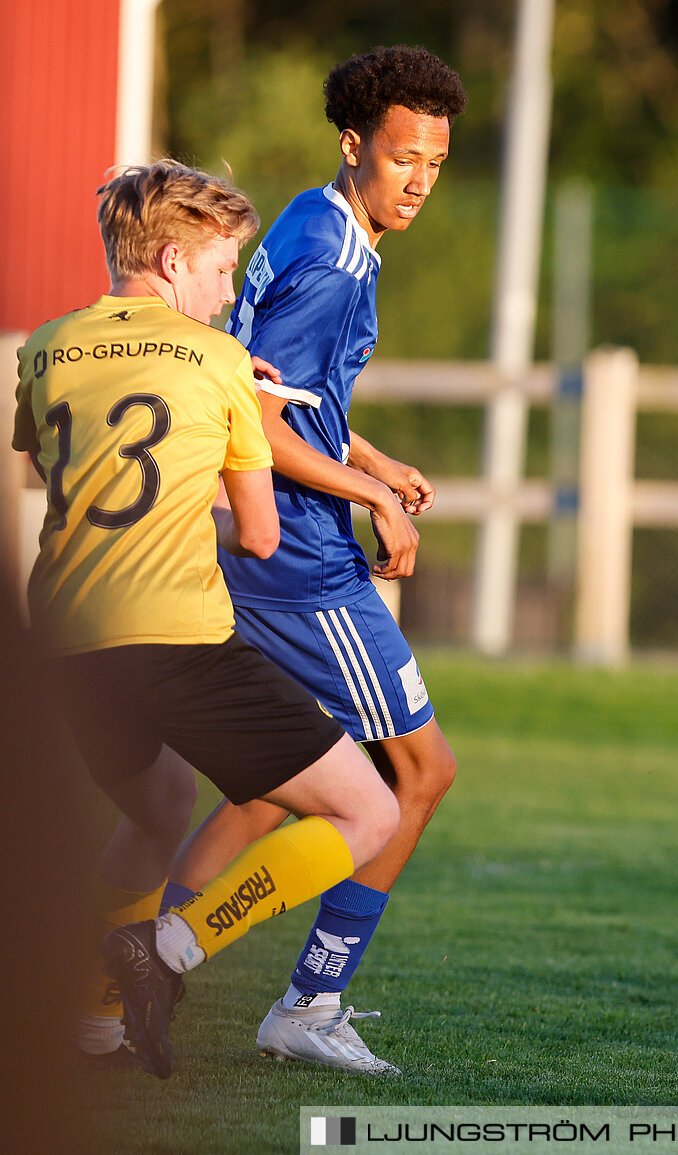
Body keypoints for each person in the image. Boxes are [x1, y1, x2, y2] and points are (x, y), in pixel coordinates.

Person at [14, 160, 400, 1080]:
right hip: (176, 639)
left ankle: (95, 1023)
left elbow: (43, 475)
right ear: (175, 259)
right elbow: (260, 537)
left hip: (65, 644)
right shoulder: (222, 361)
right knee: (368, 809)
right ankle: (174, 947)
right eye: (225, 269)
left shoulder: (48, 343)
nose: (233, 290)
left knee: (157, 809)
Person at [157, 45, 466, 1076]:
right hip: (304, 563)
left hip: (265, 549)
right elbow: (252, 412)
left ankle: (122, 986)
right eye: (401, 157)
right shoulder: (337, 262)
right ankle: (310, 999)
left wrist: (373, 454)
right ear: (354, 146)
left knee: (264, 790)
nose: (419, 179)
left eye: (435, 160)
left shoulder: (312, 217)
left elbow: (294, 395)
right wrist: (373, 496)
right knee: (421, 772)